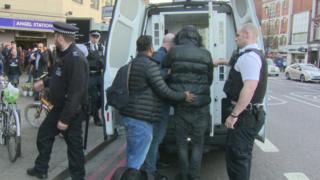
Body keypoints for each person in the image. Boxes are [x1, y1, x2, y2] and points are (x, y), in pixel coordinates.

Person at [119, 35, 195, 172]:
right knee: (139, 157)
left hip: (128, 115)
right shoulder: (150, 65)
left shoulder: (130, 64)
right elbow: (164, 90)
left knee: (132, 154)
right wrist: (183, 96)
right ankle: (149, 172)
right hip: (141, 117)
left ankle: (142, 171)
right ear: (150, 48)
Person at [27, 22, 89, 180]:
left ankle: (78, 177)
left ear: (60, 38)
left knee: (74, 147)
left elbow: (76, 92)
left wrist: (65, 119)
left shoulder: (76, 58)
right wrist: (44, 82)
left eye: (55, 36)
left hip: (71, 111)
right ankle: (41, 168)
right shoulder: (63, 54)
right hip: (59, 107)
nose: (53, 38)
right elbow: (59, 77)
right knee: (44, 135)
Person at [163, 26, 213, 180]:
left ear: (180, 37)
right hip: (201, 106)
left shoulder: (174, 52)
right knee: (198, 143)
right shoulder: (206, 54)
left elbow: (165, 74)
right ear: (197, 37)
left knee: (182, 143)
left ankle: (184, 175)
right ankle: (195, 176)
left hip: (181, 103)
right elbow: (209, 79)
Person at [223, 23, 267, 180]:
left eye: (237, 35)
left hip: (245, 116)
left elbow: (249, 88)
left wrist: (234, 115)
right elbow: (235, 63)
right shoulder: (253, 54)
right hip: (250, 114)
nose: (235, 38)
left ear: (247, 35)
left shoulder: (249, 57)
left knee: (237, 158)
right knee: (242, 156)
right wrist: (220, 62)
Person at [144, 33, 175, 179]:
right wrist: (169, 72)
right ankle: (151, 170)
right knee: (156, 137)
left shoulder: (160, 55)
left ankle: (154, 162)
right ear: (171, 44)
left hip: (160, 104)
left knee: (157, 137)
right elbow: (154, 75)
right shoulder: (160, 56)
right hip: (159, 105)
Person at [84, 30, 105, 126]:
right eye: (93, 36)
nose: (95, 38)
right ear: (90, 36)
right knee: (94, 97)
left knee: (104, 96)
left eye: (97, 36)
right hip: (90, 75)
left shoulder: (102, 47)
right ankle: (96, 119)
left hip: (99, 75)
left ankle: (92, 111)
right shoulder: (85, 47)